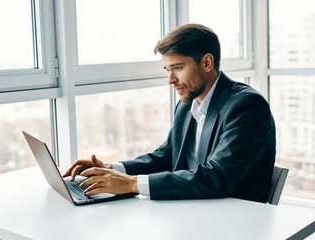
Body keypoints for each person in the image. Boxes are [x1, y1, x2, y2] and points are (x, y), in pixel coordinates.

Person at [63, 23, 276, 203]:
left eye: (178, 68)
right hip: (191, 211)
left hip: (235, 223)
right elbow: (166, 157)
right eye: (168, 70)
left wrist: (131, 184)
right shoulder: (187, 104)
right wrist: (113, 168)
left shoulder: (247, 106)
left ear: (207, 62)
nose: (170, 80)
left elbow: (217, 177)